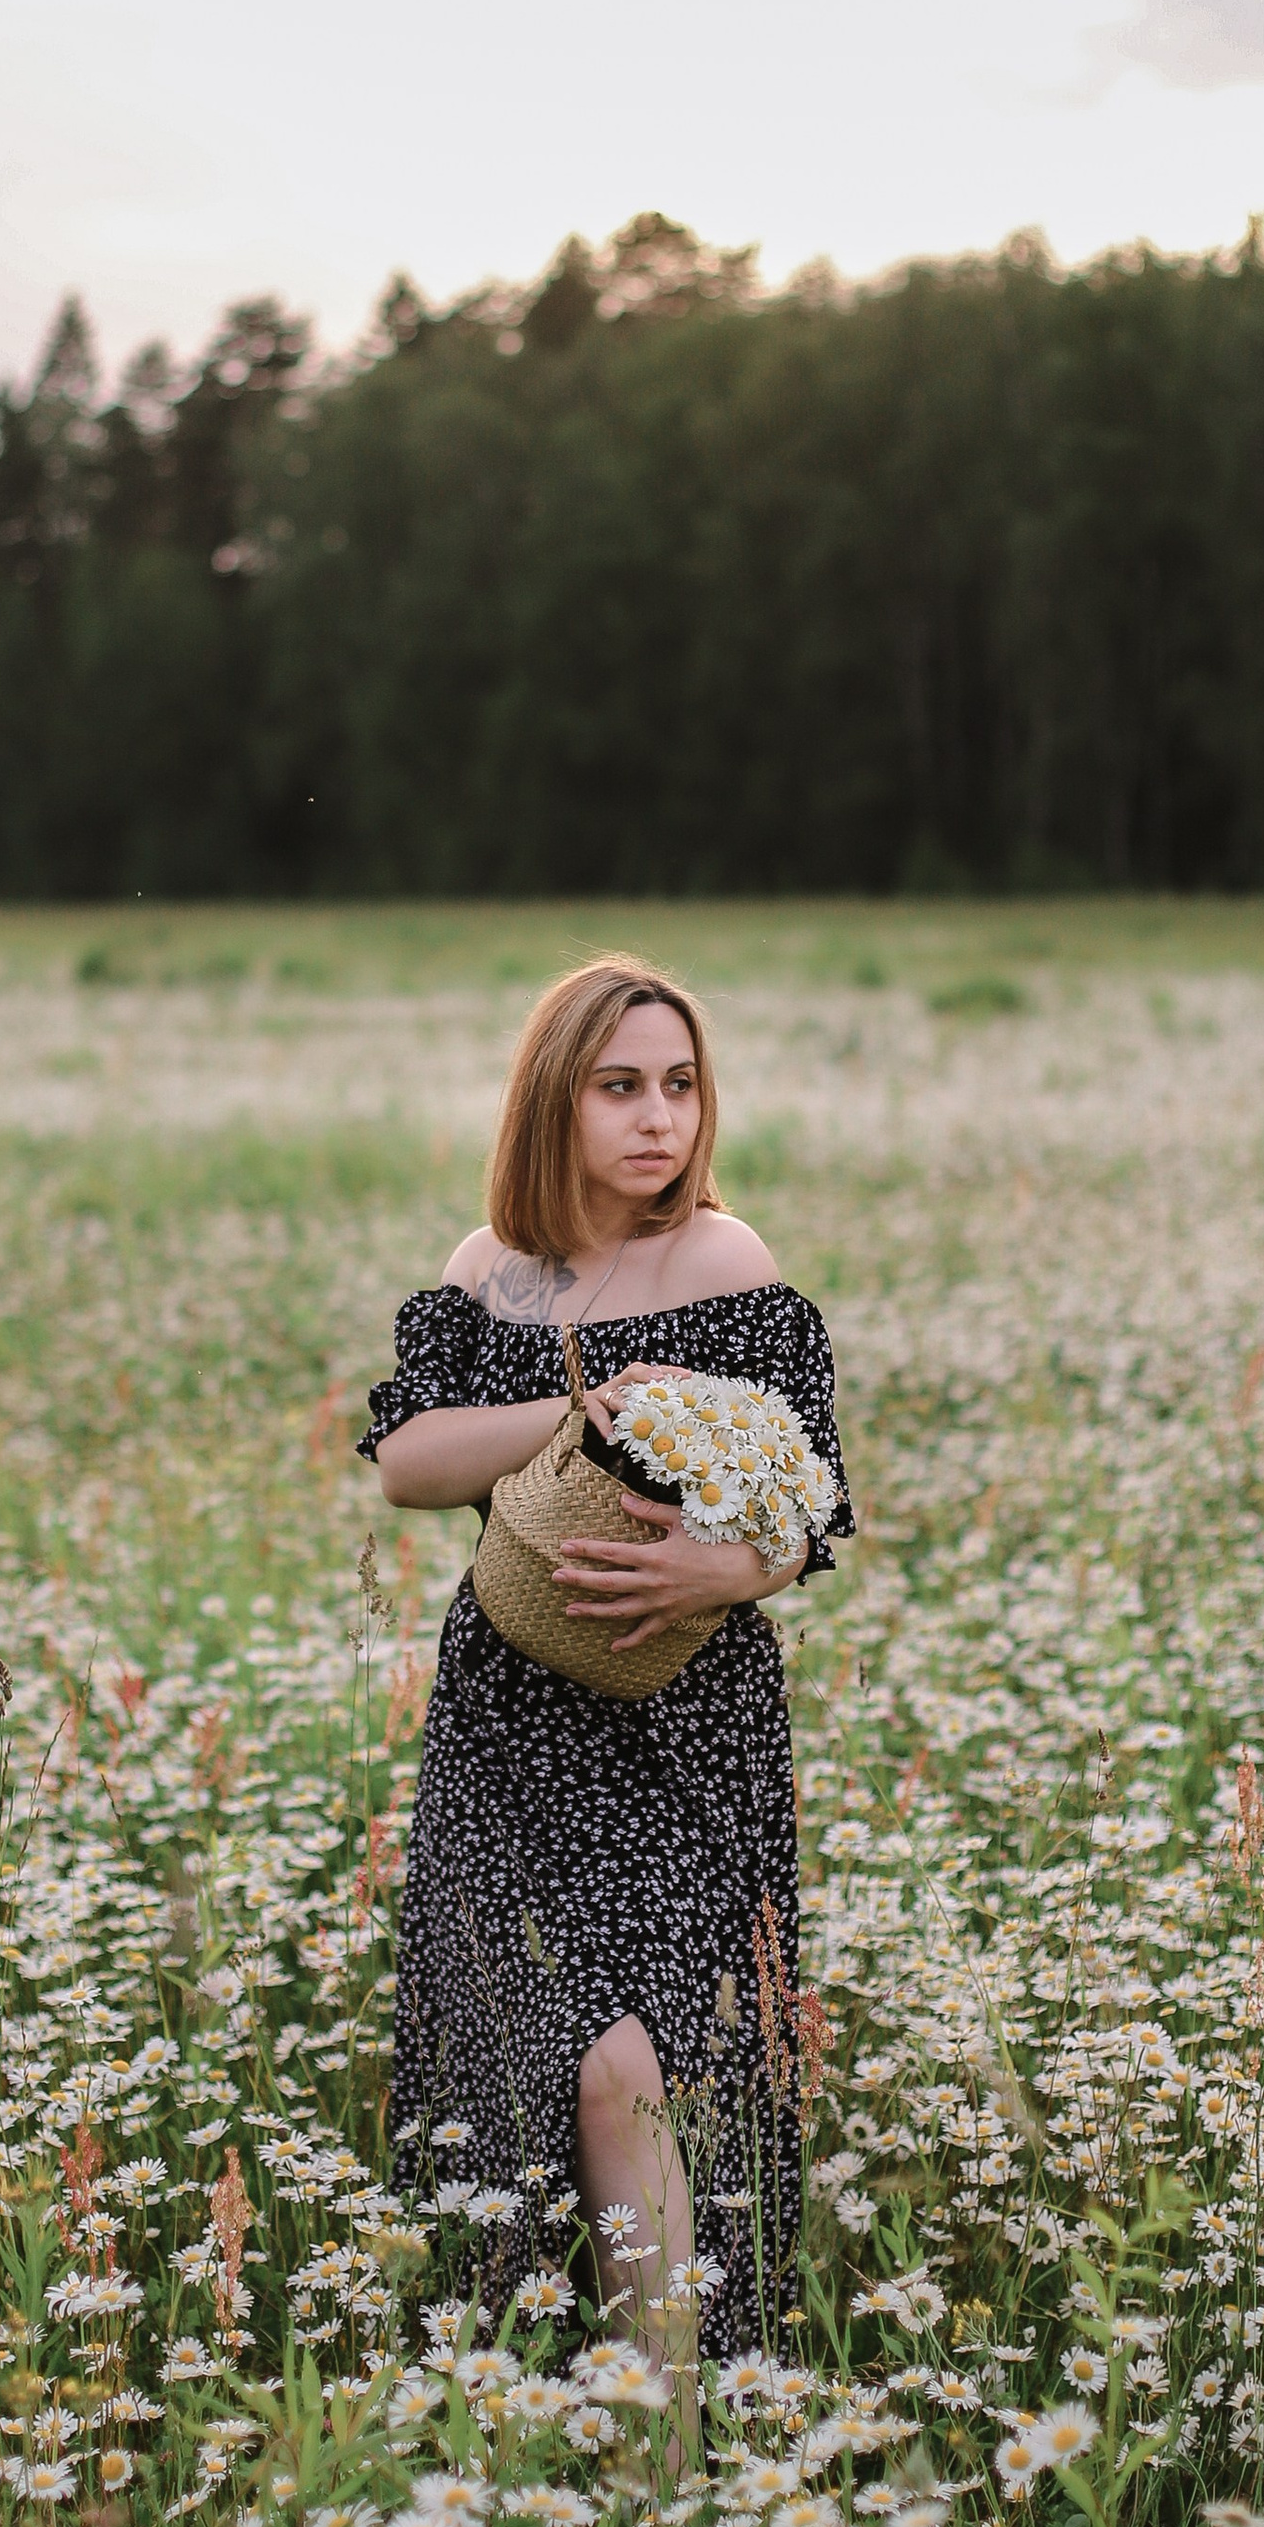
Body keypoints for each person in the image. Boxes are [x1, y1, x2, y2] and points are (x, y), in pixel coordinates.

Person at [360, 955, 853, 2396]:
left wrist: (727, 1570)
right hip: (512, 1725)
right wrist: (578, 1402)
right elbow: (407, 1462)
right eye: (620, 1087)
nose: (659, 1121)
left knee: (633, 2071)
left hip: (687, 1725)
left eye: (681, 1087)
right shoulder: (487, 1275)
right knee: (532, 2063)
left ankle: (672, 2446)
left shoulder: (729, 1265)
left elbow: (812, 1498)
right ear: (553, 1101)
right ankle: (539, 2392)